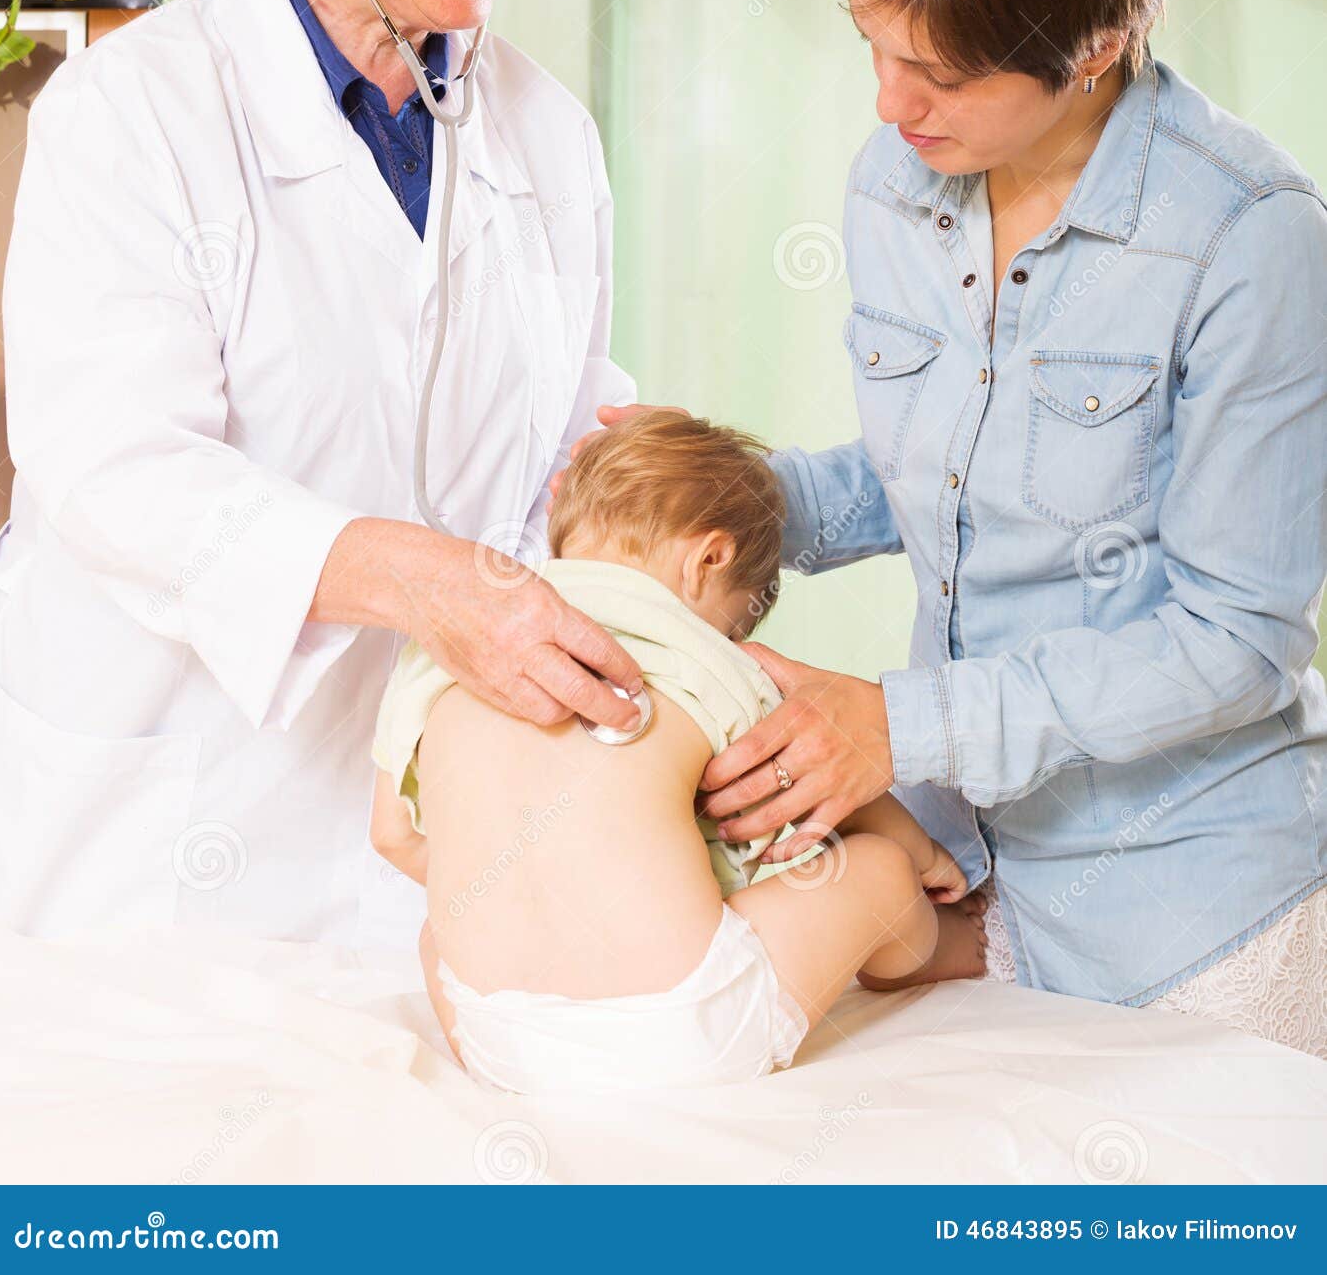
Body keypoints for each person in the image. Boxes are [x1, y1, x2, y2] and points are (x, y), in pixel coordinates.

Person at [575, 0, 1327, 1056]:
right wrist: (724, 494)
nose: (887, 102)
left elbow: (1234, 639)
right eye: (871, 43)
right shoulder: (903, 178)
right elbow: (943, 468)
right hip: (967, 874)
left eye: (934, 70)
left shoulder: (1255, 242)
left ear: (1092, 48)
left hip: (1196, 921)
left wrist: (897, 723)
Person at [0, 0, 643, 948]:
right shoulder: (137, 111)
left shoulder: (549, 136)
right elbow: (110, 468)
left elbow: (561, 419)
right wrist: (432, 583)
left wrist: (633, 485)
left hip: (421, 835)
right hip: (162, 842)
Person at [371, 410, 987, 1093]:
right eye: (743, 612)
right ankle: (955, 948)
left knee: (442, 933)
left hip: (496, 1038)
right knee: (876, 870)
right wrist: (928, 857)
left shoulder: (447, 645)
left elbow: (393, 836)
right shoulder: (703, 658)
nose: (732, 634)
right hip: (679, 1032)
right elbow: (819, 789)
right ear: (709, 560)